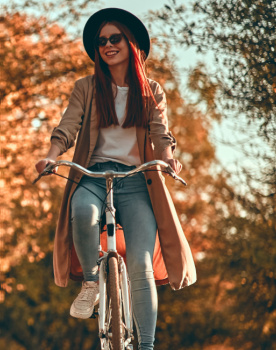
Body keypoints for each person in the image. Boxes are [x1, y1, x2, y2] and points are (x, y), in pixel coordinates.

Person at [34, 8, 197, 350]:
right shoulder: (87, 87)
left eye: (114, 38)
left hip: (138, 181)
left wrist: (167, 160)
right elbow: (68, 127)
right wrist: (51, 156)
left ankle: (147, 345)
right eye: (101, 41)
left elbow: (160, 132)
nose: (107, 45)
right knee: (84, 212)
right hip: (94, 174)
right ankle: (92, 283)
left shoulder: (151, 90)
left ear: (131, 43)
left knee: (140, 263)